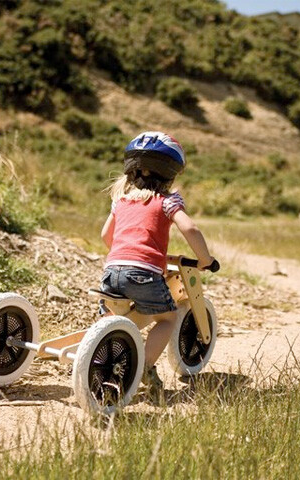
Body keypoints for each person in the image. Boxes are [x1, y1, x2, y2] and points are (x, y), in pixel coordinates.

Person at [100, 131, 216, 398]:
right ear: (171, 174)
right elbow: (191, 229)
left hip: (111, 271)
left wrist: (127, 253)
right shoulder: (167, 201)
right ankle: (145, 367)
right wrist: (206, 260)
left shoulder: (121, 201)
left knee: (113, 318)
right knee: (167, 317)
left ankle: (105, 357)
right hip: (143, 275)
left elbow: (106, 236)